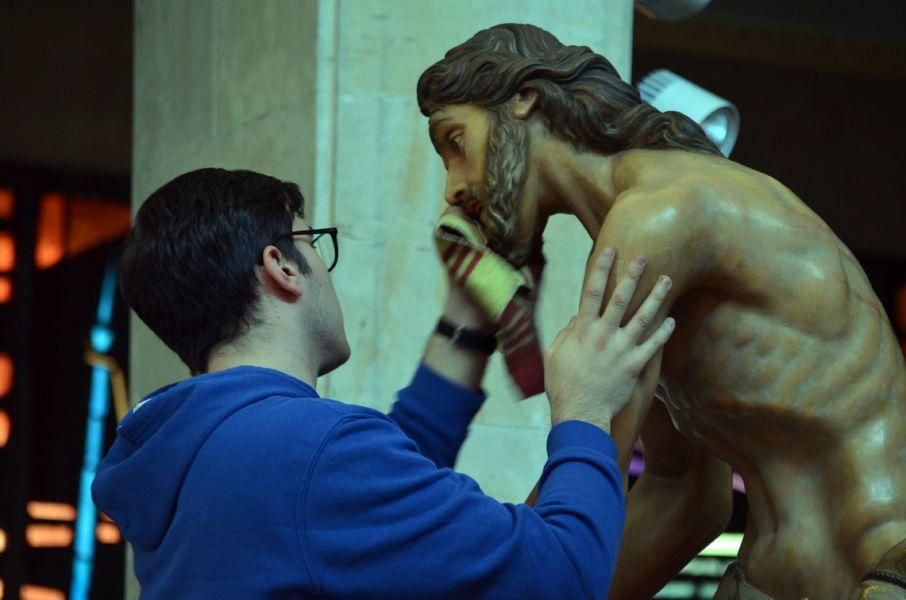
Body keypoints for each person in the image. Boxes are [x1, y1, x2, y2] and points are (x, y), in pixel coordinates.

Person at [417, 23, 906, 600]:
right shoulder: (637, 233)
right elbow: (685, 493)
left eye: (456, 143)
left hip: (882, 556)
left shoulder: (661, 214)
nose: (453, 187)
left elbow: (587, 470)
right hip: (773, 576)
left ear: (524, 100)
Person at [91, 168, 675, 599]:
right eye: (312, 242)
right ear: (283, 267)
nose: (323, 265)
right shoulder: (308, 452)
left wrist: (466, 322)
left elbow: (382, 488)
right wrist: (584, 410)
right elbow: (562, 578)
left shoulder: (197, 447)